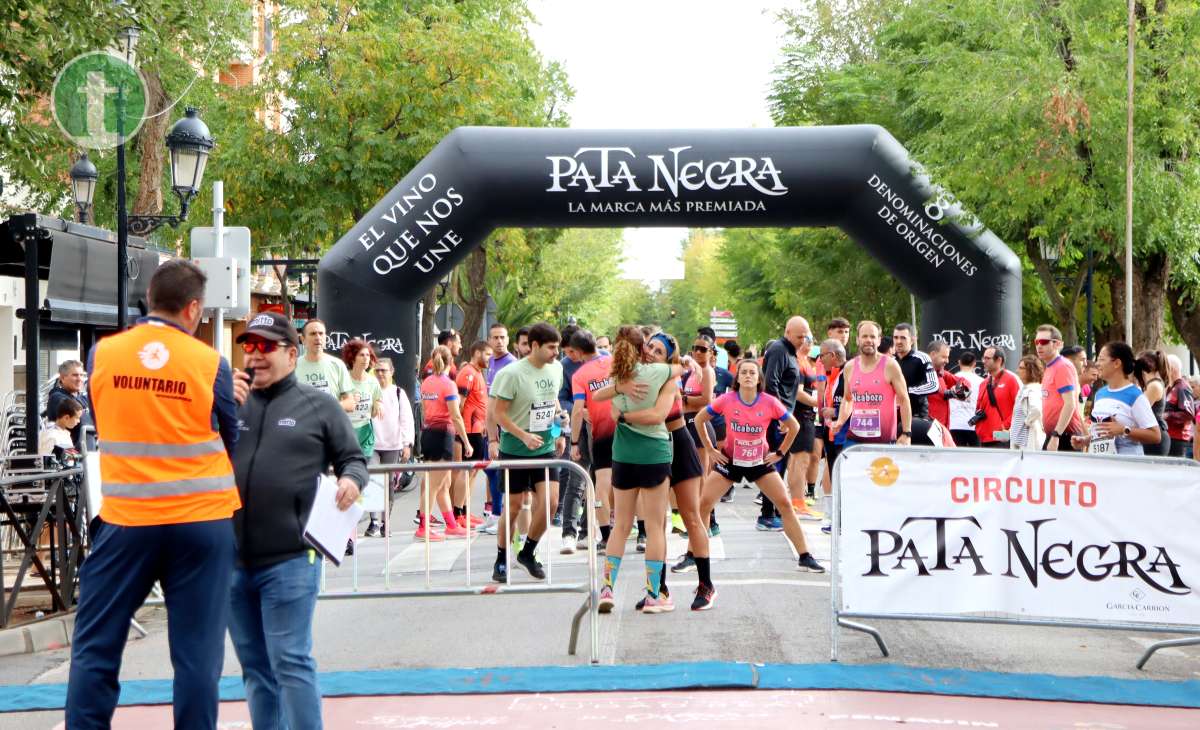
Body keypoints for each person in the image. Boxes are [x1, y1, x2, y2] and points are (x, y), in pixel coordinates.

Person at [67, 260, 242, 729]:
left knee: (96, 645)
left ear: (149, 295)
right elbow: (232, 438)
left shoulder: (102, 354)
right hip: (202, 525)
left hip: (128, 521)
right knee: (197, 656)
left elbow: (101, 424)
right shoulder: (211, 364)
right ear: (193, 308)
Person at [228, 311, 367, 730]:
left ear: (292, 354)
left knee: (289, 661)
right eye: (249, 346)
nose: (255, 356)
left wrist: (351, 480)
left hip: (291, 558)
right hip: (231, 560)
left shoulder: (318, 404)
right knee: (254, 668)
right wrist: (215, 408)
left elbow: (353, 459)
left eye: (266, 347)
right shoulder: (228, 403)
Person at [695, 357, 826, 582]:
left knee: (784, 504)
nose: (747, 376)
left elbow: (793, 425)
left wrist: (780, 453)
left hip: (759, 463)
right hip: (731, 461)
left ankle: (805, 556)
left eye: (752, 373)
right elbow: (699, 419)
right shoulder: (727, 399)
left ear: (758, 379)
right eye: (743, 372)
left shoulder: (769, 402)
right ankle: (691, 554)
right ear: (737, 378)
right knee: (704, 504)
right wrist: (710, 449)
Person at [594, 325, 678, 613]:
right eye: (650, 347)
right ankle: (654, 594)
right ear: (643, 347)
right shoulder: (662, 375)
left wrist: (623, 408)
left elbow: (604, 403)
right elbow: (659, 413)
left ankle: (607, 589)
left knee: (621, 525)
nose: (653, 352)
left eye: (659, 350)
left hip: (623, 454)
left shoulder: (620, 375)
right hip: (653, 453)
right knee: (655, 527)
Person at [488, 322, 564, 582]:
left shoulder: (557, 368)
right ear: (534, 346)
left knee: (552, 502)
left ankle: (528, 551)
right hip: (515, 449)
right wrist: (521, 435)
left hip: (545, 448)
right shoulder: (512, 374)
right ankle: (501, 558)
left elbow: (551, 400)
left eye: (558, 347)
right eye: (551, 348)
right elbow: (498, 413)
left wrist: (558, 427)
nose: (556, 352)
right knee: (514, 506)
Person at [757, 316, 811, 531]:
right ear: (788, 332)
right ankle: (767, 514)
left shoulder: (790, 352)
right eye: (799, 336)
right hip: (776, 419)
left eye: (805, 336)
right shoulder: (780, 349)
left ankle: (775, 510)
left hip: (784, 416)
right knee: (774, 465)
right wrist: (781, 416)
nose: (802, 340)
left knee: (779, 465)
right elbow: (771, 384)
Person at [418, 345, 473, 540]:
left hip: (429, 433)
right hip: (443, 435)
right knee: (434, 485)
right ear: (451, 362)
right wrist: (466, 442)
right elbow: (456, 416)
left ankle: (450, 524)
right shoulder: (449, 385)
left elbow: (425, 410)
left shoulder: (426, 382)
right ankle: (423, 527)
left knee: (443, 483)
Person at [831, 320, 912, 447]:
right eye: (864, 336)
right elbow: (847, 399)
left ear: (879, 340)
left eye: (872, 336)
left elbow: (903, 399)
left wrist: (907, 433)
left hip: (883, 440)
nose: (868, 340)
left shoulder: (890, 365)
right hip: (854, 440)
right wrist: (840, 421)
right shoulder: (850, 367)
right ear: (858, 340)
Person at [1070, 342, 1161, 455]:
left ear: (1117, 363)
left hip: (1127, 465)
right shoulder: (1100, 394)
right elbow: (1105, 434)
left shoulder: (1135, 395)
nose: (1097, 364)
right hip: (1101, 465)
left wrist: (1124, 430)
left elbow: (1155, 435)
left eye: (1101, 359)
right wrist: (1086, 440)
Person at [569, 330, 615, 553]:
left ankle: (606, 536)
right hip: (629, 428)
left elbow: (578, 410)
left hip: (602, 435)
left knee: (601, 487)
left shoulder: (580, 375)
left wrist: (575, 442)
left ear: (577, 352)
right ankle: (643, 532)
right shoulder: (615, 361)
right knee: (633, 483)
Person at [342, 339, 384, 536]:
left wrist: (378, 406)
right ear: (352, 357)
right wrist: (348, 402)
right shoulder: (344, 379)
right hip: (347, 433)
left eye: (368, 355)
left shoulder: (372, 381)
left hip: (365, 433)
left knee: (361, 478)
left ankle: (370, 521)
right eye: (362, 355)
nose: (366, 359)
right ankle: (346, 528)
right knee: (346, 479)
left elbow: (377, 401)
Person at [454, 341, 492, 529]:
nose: (489, 358)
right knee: (466, 470)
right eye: (487, 354)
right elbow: (459, 403)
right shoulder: (468, 372)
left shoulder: (477, 373)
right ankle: (458, 513)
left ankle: (465, 511)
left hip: (477, 429)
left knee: (474, 471)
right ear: (477, 353)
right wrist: (462, 431)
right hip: (468, 430)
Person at [815, 338, 847, 534]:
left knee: (843, 477)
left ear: (833, 356)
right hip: (830, 432)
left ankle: (841, 519)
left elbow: (853, 401)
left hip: (845, 434)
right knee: (834, 474)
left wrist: (836, 412)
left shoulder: (848, 372)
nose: (820, 360)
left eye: (822, 356)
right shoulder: (831, 374)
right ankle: (834, 517)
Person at [373, 357, 415, 506]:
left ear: (391, 372)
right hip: (372, 445)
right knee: (374, 481)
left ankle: (386, 522)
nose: (380, 374)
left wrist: (406, 444)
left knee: (388, 483)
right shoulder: (369, 390)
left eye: (383, 370)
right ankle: (374, 522)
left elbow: (406, 420)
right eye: (377, 370)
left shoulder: (398, 393)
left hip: (392, 445)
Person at [1035, 325, 1084, 451]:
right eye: (1037, 342)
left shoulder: (1062, 366)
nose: (1039, 345)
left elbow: (1070, 404)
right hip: (1055, 434)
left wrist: (1056, 435)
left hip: (1065, 436)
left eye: (1044, 342)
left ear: (1057, 344)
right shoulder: (1050, 366)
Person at [891, 323, 939, 445]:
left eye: (903, 338)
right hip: (894, 419)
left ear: (913, 340)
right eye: (896, 337)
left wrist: (907, 392)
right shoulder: (890, 361)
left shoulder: (922, 358)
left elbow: (934, 385)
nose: (898, 341)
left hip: (917, 417)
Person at [295, 319, 356, 413]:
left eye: (321, 333)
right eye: (313, 334)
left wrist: (328, 406)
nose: (318, 337)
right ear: (303, 339)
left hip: (331, 425)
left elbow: (351, 403)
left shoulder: (337, 364)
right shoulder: (293, 366)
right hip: (303, 424)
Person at [974, 347, 1020, 448]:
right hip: (983, 437)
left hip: (1001, 437)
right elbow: (979, 408)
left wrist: (1004, 426)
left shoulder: (1010, 380)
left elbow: (1019, 409)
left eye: (987, 358)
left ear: (999, 360)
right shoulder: (983, 383)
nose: (983, 361)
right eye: (983, 358)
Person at [45, 359, 91, 449]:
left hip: (89, 456)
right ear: (62, 378)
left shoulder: (81, 398)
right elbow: (78, 414)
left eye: (82, 375)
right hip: (69, 458)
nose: (79, 379)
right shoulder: (57, 398)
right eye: (75, 375)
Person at [1135, 349, 1172, 456]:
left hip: (1155, 439)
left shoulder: (1154, 386)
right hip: (1150, 436)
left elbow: (1138, 411)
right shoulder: (1151, 385)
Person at [1009, 355, 1045, 450]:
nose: (1017, 371)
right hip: (1019, 441)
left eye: (1021, 368)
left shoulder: (1033, 390)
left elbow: (1037, 409)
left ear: (1030, 370)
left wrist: (1027, 422)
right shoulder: (1024, 389)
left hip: (1027, 442)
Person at [925, 340, 961, 430]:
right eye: (944, 357)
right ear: (932, 354)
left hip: (942, 429)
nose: (947, 361)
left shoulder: (941, 373)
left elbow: (964, 384)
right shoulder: (919, 372)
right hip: (928, 428)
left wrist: (957, 391)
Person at [1163, 354, 1194, 458]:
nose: (1163, 371)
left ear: (1172, 369)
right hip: (1169, 438)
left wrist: (1166, 416)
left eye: (1165, 367)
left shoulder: (1182, 387)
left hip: (1178, 440)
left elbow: (1188, 414)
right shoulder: (1172, 387)